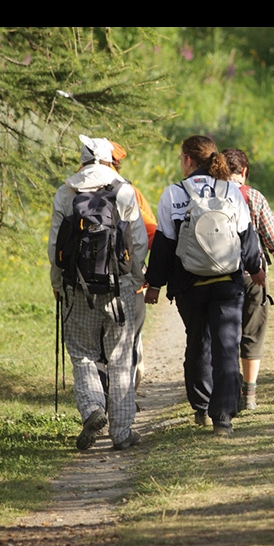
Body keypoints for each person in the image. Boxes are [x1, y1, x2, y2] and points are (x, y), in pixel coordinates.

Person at [144, 135, 266, 436]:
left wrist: (155, 285)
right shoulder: (229, 189)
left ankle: (201, 405)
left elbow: (164, 244)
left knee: (198, 341)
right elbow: (246, 234)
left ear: (187, 160)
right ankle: (223, 417)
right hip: (228, 281)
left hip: (189, 283)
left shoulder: (173, 194)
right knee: (227, 345)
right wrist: (256, 269)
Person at [48, 135, 148, 450]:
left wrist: (57, 284)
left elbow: (55, 250)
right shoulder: (125, 192)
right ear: (109, 161)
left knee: (82, 354)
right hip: (119, 290)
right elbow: (139, 244)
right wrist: (135, 279)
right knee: (120, 358)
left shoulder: (65, 193)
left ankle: (92, 408)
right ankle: (121, 433)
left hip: (77, 289)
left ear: (82, 161)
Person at [222, 148, 274, 411]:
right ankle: (249, 393)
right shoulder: (254, 197)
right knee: (253, 333)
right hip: (253, 275)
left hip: (218, 275)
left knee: (225, 333)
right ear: (244, 171)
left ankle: (228, 388)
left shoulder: (211, 194)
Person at [109, 141, 157, 390]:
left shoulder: (72, 191)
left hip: (84, 285)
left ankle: (98, 399)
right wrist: (141, 275)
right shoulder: (129, 192)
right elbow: (149, 234)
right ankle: (125, 399)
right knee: (128, 344)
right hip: (127, 283)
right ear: (117, 163)